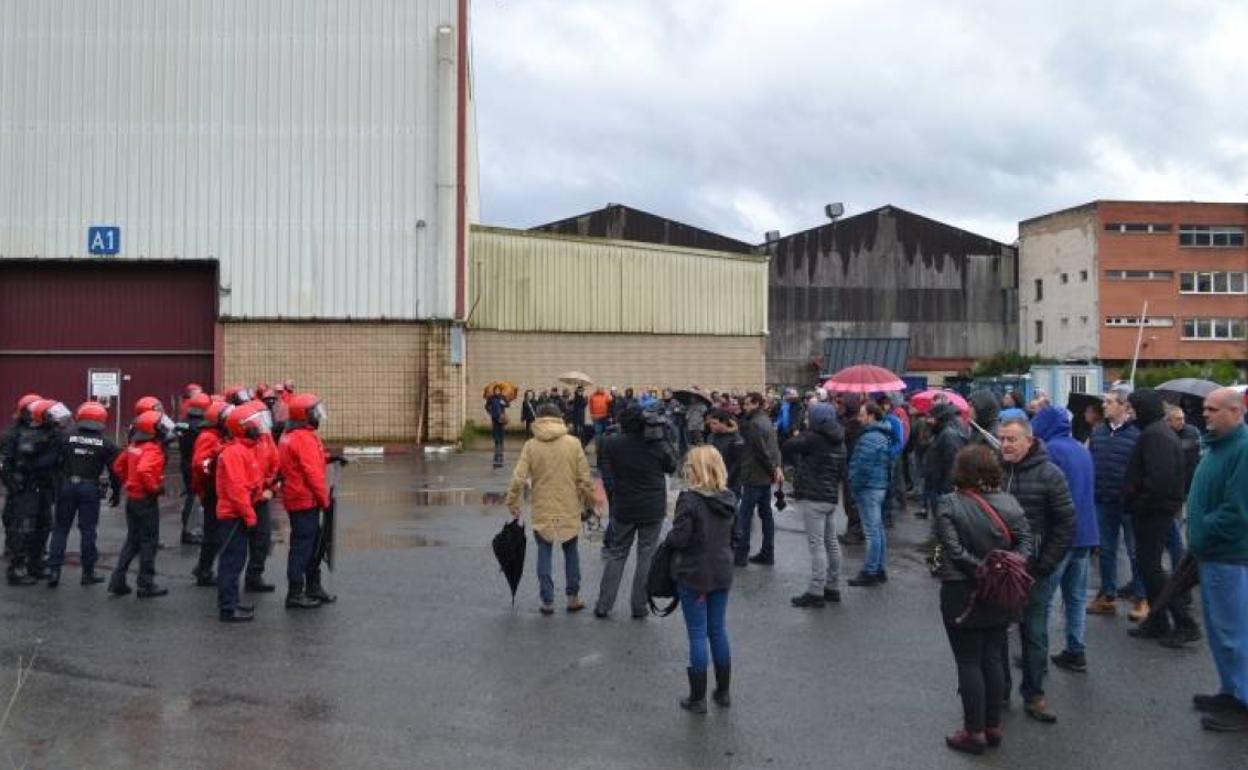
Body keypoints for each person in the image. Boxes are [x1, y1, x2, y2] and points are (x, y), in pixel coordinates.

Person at [935, 445, 1034, 755]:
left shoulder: (949, 503)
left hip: (961, 589)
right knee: (992, 656)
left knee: (968, 660)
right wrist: (1004, 568)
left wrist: (981, 569)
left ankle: (974, 731)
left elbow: (952, 550)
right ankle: (992, 726)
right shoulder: (1011, 503)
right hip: (1001, 590)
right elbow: (1028, 543)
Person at [998, 417, 1075, 723]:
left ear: (1029, 441)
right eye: (1002, 439)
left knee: (1034, 632)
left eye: (1012, 439)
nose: (1005, 445)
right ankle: (1000, 691)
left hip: (1036, 570)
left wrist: (1046, 564)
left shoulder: (1050, 474)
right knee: (997, 633)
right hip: (1001, 570)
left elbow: (1067, 524)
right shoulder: (994, 472)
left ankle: (1034, 694)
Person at [1186, 388, 1248, 732]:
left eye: (1212, 409)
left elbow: (1237, 512)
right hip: (1212, 554)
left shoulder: (1242, 449)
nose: (1204, 414)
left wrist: (1204, 532)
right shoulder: (1220, 445)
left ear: (1235, 412)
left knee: (1234, 633)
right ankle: (1231, 689)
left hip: (1228, 556)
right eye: (1205, 408)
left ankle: (1243, 700)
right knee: (1219, 630)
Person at [1124, 390, 1202, 647]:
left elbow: (1158, 480)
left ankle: (1183, 622)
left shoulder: (1155, 435)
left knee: (1153, 569)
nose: (1130, 413)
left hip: (1153, 512)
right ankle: (1158, 621)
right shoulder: (1156, 432)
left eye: (1133, 408)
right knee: (1150, 568)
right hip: (1156, 510)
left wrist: (1138, 503)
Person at [505, 403, 597, 614]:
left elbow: (518, 477)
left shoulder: (531, 445)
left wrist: (512, 502)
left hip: (542, 507)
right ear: (559, 418)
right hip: (569, 507)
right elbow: (584, 479)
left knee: (544, 552)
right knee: (571, 551)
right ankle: (573, 597)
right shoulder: (574, 443)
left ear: (538, 419)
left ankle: (547, 601)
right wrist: (589, 503)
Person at [666, 445, 737, 714]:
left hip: (695, 572)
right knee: (717, 630)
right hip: (722, 569)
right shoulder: (729, 497)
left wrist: (671, 539)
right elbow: (736, 535)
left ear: (695, 469)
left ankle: (698, 699)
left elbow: (680, 538)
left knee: (697, 634)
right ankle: (723, 691)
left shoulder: (690, 499)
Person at [1031, 406, 1098, 673]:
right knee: (1076, 598)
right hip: (1086, 533)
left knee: (1042, 599)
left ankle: (1036, 653)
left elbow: (1047, 497)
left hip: (1060, 537)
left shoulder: (1050, 451)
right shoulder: (1080, 449)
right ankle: (1076, 649)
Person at [594, 405, 677, 619]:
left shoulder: (612, 443)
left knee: (617, 553)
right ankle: (639, 606)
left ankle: (604, 605)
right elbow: (672, 465)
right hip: (652, 507)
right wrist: (664, 436)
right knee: (646, 555)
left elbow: (606, 467)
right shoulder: (656, 444)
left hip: (624, 504)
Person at [1086, 387, 1146, 618]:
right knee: (1106, 550)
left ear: (1124, 406)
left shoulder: (1137, 435)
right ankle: (1107, 594)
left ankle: (1141, 597)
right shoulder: (1098, 432)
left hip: (1129, 503)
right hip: (1103, 500)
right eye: (1105, 401)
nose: (1104, 405)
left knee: (1134, 551)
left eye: (1110, 402)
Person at [47, 402, 121, 587]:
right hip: (90, 488)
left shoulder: (65, 437)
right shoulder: (106, 444)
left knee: (60, 529)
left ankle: (54, 571)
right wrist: (116, 492)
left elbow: (53, 462)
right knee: (88, 530)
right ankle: (88, 573)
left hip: (67, 485)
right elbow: (115, 471)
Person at [783, 403, 846, 607]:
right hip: (830, 497)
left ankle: (816, 590)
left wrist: (802, 433)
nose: (807, 420)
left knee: (817, 545)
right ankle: (832, 586)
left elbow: (788, 446)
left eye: (810, 417)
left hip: (814, 496)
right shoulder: (840, 440)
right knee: (831, 543)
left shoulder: (813, 439)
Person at [108, 409, 174, 598]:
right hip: (146, 500)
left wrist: (130, 481)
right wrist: (154, 488)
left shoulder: (133, 446)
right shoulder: (152, 449)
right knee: (148, 542)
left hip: (133, 499)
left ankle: (117, 580)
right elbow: (145, 470)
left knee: (132, 540)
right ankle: (146, 584)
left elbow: (118, 466)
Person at [279, 393, 336, 609]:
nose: (318, 417)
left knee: (313, 543)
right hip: (304, 499)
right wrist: (324, 500)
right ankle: (296, 592)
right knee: (303, 546)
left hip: (299, 497)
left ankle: (313, 587)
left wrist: (329, 458)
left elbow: (307, 461)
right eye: (315, 412)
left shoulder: (293, 434)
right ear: (304, 415)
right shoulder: (303, 438)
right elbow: (312, 472)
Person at [215, 402, 268, 623]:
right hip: (233, 516)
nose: (257, 426)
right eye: (252, 423)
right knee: (231, 562)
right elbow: (237, 489)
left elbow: (250, 483)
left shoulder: (242, 450)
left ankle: (233, 602)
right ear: (241, 427)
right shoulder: (235, 453)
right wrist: (250, 515)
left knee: (236, 561)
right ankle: (228, 607)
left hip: (236, 514)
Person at [6, 399, 69, 585]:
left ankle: (36, 564)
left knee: (44, 525)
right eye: (52, 414)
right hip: (29, 487)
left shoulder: (50, 433)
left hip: (44, 487)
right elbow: (35, 463)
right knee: (25, 527)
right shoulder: (29, 435)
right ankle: (15, 569)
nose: (56, 418)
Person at [734, 393, 783, 567]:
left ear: (755, 404)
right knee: (766, 515)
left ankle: (741, 555)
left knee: (745, 516)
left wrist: (773, 469)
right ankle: (767, 552)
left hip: (754, 475)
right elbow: (774, 447)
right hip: (764, 477)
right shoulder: (766, 420)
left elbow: (761, 451)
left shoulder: (755, 424)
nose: (744, 407)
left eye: (747, 404)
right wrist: (776, 468)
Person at [848, 403, 892, 586]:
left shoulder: (869, 438)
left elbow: (861, 466)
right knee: (878, 529)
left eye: (862, 414)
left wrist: (853, 485)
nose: (859, 418)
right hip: (879, 485)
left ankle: (870, 570)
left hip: (868, 487)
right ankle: (879, 568)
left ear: (872, 416)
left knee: (872, 531)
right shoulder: (882, 434)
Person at [191, 400, 231, 587]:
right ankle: (204, 570)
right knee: (212, 534)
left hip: (213, 489)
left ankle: (203, 567)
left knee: (214, 532)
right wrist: (215, 470)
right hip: (211, 490)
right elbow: (200, 464)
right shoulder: (209, 437)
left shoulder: (216, 435)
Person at [243, 404, 280, 593]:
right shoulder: (241, 443)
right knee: (237, 546)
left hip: (262, 495)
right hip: (245, 498)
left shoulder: (265, 438)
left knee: (262, 539)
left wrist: (271, 483)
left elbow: (274, 461)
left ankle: (254, 575)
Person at [176, 390, 212, 545]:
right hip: (195, 463)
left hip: (185, 461)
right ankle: (189, 531)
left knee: (191, 496)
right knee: (195, 497)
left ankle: (188, 529)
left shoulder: (182, 422)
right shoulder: (200, 427)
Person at [924, 403, 967, 519]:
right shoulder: (941, 433)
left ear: (939, 419)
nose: (929, 421)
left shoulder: (948, 435)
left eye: (932, 418)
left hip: (943, 490)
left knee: (942, 523)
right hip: (938, 487)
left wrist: (946, 491)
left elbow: (952, 465)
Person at [706, 410, 745, 497]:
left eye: (715, 423)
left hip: (731, 482)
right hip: (714, 480)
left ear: (724, 423)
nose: (711, 425)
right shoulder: (711, 437)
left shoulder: (735, 439)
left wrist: (726, 479)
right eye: (711, 423)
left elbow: (737, 464)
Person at [486, 387, 509, 469]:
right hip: (495, 419)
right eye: (496, 390)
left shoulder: (502, 397)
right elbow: (487, 407)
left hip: (501, 420)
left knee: (501, 436)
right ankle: (496, 454)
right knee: (496, 437)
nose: (497, 391)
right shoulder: (491, 398)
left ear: (500, 391)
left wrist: (504, 403)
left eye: (498, 390)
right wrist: (490, 410)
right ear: (494, 391)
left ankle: (501, 455)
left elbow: (508, 405)